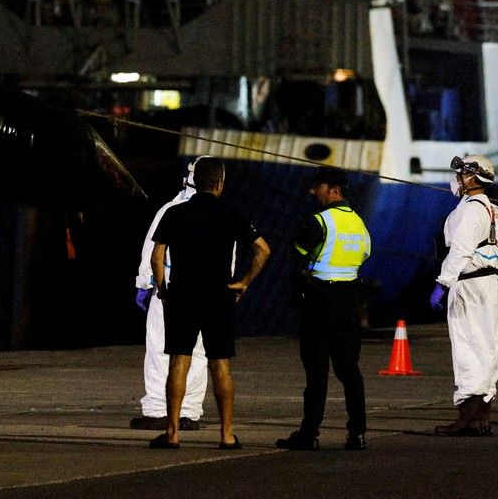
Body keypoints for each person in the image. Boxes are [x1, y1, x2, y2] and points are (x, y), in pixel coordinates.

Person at [148, 156, 270, 449]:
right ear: (219, 183)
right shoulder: (231, 213)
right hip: (219, 296)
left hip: (182, 295)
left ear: (195, 181)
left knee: (179, 360)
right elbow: (263, 250)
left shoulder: (174, 213)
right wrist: (243, 282)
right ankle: (227, 435)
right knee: (221, 365)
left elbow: (157, 255)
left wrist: (163, 287)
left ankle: (172, 433)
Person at [276, 166, 372, 451]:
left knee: (316, 371)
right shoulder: (359, 224)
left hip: (320, 300)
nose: (312, 191)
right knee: (349, 370)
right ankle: (357, 434)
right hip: (349, 301)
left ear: (334, 191)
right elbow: (364, 254)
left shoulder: (320, 221)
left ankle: (309, 434)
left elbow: (297, 255)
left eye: (317, 186)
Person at [130, 158, 208, 431]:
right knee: (197, 352)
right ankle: (188, 412)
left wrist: (145, 283)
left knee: (161, 348)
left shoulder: (171, 210)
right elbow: (229, 258)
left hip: (170, 290)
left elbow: (152, 250)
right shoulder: (223, 213)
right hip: (205, 294)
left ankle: (157, 410)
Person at [430, 154, 498, 437]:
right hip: (490, 285)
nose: (457, 179)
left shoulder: (472, 209)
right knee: (486, 348)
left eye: (461, 174)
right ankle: (482, 415)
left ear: (472, 178)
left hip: (471, 286)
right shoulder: (489, 209)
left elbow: (460, 249)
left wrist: (443, 283)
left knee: (468, 347)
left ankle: (469, 415)